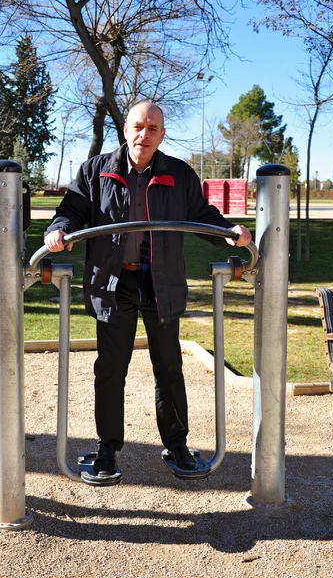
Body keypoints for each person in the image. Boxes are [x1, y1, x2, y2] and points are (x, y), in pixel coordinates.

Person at [44, 102, 251, 480]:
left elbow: (201, 216)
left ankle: (177, 446)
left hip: (161, 282)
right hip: (113, 283)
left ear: (162, 134)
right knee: (110, 369)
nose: (145, 135)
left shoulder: (178, 173)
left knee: (170, 367)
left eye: (153, 128)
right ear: (125, 130)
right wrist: (58, 229)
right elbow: (71, 209)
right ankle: (107, 450)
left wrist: (229, 234)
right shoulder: (96, 171)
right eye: (138, 127)